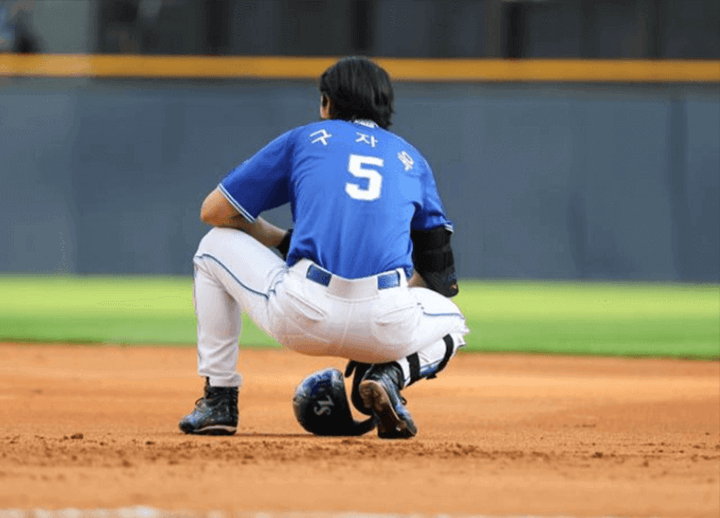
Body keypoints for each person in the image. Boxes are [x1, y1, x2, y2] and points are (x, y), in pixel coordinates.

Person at [179, 56, 469, 439]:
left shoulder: (305, 139)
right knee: (452, 320)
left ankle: (220, 399)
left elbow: (214, 211)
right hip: (384, 324)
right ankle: (390, 375)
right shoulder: (411, 159)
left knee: (213, 247)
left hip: (302, 314)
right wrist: (374, 334)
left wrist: (282, 240)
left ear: (326, 103)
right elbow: (439, 278)